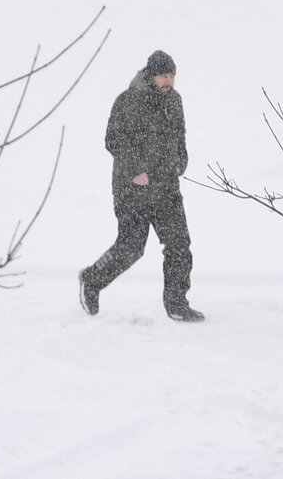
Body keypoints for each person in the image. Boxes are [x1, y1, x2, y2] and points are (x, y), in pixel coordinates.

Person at [78, 50, 205, 322]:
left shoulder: (175, 101)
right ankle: (91, 280)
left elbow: (179, 137)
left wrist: (180, 162)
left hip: (166, 186)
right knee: (132, 247)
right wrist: (136, 169)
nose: (169, 81)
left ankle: (176, 304)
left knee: (179, 244)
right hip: (132, 188)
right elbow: (113, 140)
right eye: (164, 76)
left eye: (172, 76)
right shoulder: (128, 100)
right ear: (151, 74)